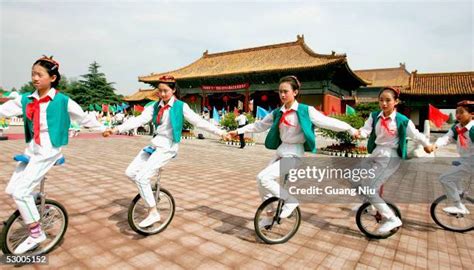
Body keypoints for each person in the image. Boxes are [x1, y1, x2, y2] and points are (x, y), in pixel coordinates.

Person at [0, 56, 106, 254]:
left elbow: (83, 118)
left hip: (49, 149)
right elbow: (3, 111)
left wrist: (105, 128)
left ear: (53, 77)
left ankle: (36, 232)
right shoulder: (26, 99)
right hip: (32, 148)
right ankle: (42, 207)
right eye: (33, 74)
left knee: (20, 192)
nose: (35, 78)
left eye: (39, 74)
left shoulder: (63, 100)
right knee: (12, 189)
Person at [228, 75, 358, 227]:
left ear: (295, 92)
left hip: (294, 154)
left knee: (264, 178)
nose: (282, 95)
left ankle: (291, 201)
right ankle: (270, 214)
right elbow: (259, 126)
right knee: (262, 181)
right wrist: (238, 131)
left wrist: (350, 128)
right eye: (280, 92)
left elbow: (327, 122)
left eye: (286, 91)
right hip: (281, 151)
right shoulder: (278, 112)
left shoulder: (305, 110)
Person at [103, 75, 227, 228]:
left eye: (165, 91)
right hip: (155, 144)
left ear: (173, 90)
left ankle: (153, 212)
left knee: (142, 178)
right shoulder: (155, 106)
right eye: (159, 91)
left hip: (168, 147)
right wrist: (116, 129)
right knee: (130, 173)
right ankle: (150, 194)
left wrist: (221, 133)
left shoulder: (181, 106)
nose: (162, 94)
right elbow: (139, 120)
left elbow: (199, 122)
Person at [353, 87, 432, 233]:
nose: (384, 103)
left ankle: (392, 219)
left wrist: (427, 145)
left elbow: (416, 135)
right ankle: (369, 205)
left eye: (388, 100)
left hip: (390, 156)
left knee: (370, 188)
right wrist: (359, 133)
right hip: (377, 152)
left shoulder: (402, 120)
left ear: (396, 101)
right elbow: (366, 130)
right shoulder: (374, 116)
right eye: (381, 100)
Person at [426, 100, 473, 214]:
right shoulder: (457, 127)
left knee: (445, 178)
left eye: (461, 112)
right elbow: (447, 138)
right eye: (456, 112)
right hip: (464, 159)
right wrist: (435, 145)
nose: (458, 115)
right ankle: (460, 193)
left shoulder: (472, 129)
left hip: (471, 161)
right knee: (455, 164)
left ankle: (459, 206)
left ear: (472, 114)